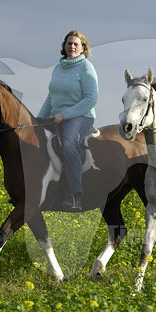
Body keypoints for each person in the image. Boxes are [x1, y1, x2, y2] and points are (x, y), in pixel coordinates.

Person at [38, 30, 98, 210]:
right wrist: (39, 117)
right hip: (57, 117)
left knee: (68, 143)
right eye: (69, 43)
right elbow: (51, 97)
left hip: (81, 116)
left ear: (83, 48)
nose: (72, 46)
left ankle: (75, 195)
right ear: (64, 46)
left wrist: (64, 115)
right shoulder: (58, 68)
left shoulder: (86, 68)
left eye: (76, 44)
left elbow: (90, 99)